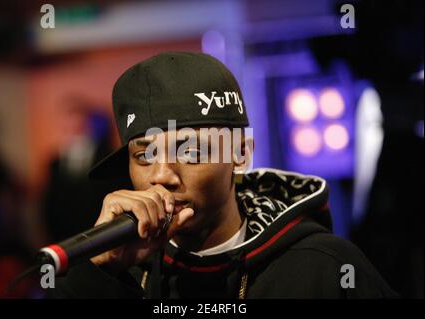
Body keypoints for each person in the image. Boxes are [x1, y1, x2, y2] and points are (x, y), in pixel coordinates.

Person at [48, 51, 396, 299]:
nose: (161, 175)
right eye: (143, 155)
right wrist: (98, 272)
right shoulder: (121, 273)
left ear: (241, 154)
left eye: (189, 150)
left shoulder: (324, 267)